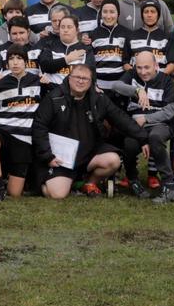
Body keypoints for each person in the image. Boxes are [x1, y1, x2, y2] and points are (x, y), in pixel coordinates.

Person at [32, 57, 122, 200]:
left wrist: (143, 139)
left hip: (87, 155)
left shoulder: (98, 98)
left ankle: (88, 183)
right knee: (57, 194)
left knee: (113, 160)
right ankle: (41, 183)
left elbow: (121, 118)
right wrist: (47, 156)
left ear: (91, 81)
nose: (81, 81)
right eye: (77, 77)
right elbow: (39, 127)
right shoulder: (54, 98)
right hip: (61, 158)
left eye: (85, 79)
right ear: (69, 78)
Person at [106, 48, 174, 198]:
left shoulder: (167, 81)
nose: (143, 72)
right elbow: (116, 86)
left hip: (159, 122)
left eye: (147, 67)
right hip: (135, 124)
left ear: (156, 65)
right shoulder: (132, 75)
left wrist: (146, 119)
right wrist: (137, 91)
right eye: (139, 67)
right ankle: (133, 180)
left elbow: (170, 111)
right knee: (129, 143)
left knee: (155, 137)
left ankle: (170, 185)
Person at [0, 45, 44, 201]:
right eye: (11, 59)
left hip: (24, 137)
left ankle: (8, 179)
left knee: (15, 193)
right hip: (2, 129)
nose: (15, 63)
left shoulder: (38, 82)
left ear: (26, 62)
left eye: (19, 59)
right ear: (6, 64)